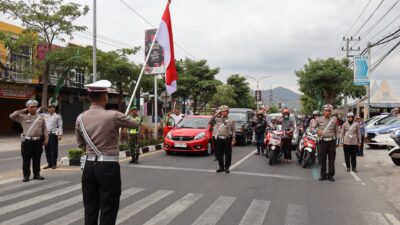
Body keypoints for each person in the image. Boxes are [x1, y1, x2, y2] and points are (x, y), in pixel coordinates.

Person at [75, 80, 139, 225]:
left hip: (89, 166)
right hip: (108, 168)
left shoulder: (80, 118)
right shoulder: (113, 115)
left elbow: (80, 144)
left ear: (89, 97)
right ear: (105, 97)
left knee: (90, 206)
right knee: (108, 207)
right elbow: (135, 123)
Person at [9, 100, 48, 182]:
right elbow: (11, 116)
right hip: (27, 142)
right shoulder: (23, 117)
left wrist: (46, 139)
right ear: (28, 107)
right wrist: (23, 110)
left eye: (35, 106)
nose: (33, 108)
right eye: (31, 107)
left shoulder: (40, 118)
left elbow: (44, 129)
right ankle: (26, 176)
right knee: (26, 159)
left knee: (37, 159)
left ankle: (36, 174)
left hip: (38, 141)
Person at [312, 104, 340, 182]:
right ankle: (323, 174)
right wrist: (317, 131)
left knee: (331, 159)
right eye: (326, 111)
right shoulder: (318, 119)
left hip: (332, 142)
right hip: (322, 142)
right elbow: (311, 129)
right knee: (322, 159)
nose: (327, 112)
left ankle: (330, 175)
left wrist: (338, 141)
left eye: (329, 111)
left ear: (331, 112)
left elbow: (337, 131)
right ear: (323, 111)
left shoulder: (334, 120)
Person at [210, 105, 236, 173]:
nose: (223, 113)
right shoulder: (217, 119)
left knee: (228, 154)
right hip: (219, 139)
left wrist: (233, 139)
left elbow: (233, 130)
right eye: (222, 111)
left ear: (228, 112)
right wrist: (217, 113)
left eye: (225, 111)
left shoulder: (231, 120)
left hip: (227, 139)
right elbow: (210, 121)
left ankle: (227, 168)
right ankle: (221, 167)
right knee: (219, 154)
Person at [42, 99, 63, 169]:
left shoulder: (57, 116)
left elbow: (60, 125)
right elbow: (36, 113)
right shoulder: (45, 115)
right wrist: (40, 108)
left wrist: (60, 134)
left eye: (51, 107)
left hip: (53, 134)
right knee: (47, 149)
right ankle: (49, 163)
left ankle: (54, 163)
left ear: (54, 108)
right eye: (48, 107)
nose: (49, 109)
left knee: (54, 149)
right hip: (46, 135)